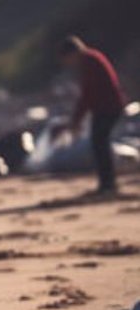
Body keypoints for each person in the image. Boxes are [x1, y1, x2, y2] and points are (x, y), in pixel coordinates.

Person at [57, 35, 127, 194]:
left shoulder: (89, 61)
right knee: (100, 143)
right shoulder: (91, 58)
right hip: (106, 107)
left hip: (108, 108)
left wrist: (76, 121)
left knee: (99, 143)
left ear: (72, 53)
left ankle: (108, 185)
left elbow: (87, 94)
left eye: (67, 59)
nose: (68, 63)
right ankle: (107, 183)